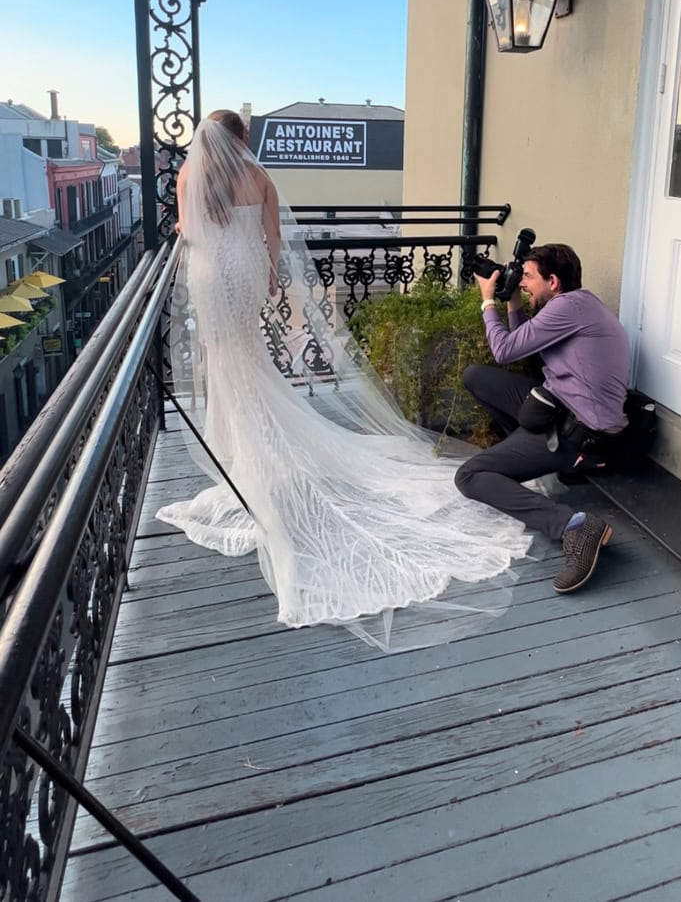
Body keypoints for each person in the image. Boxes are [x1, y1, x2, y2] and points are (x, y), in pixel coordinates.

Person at [157, 110, 531, 649]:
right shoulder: (260, 176)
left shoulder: (190, 176)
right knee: (250, 365)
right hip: (242, 278)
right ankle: (254, 451)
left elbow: (189, 232)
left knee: (226, 370)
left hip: (209, 278)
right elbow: (272, 240)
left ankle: (239, 457)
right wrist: (265, 281)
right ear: (242, 138)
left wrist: (186, 231)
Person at [456, 243, 630, 595]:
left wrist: (487, 299)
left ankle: (573, 526)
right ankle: (529, 459)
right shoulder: (577, 304)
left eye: (529, 278)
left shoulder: (567, 308)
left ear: (553, 281)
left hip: (579, 433)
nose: (523, 283)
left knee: (470, 475)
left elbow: (504, 349)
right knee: (477, 376)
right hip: (557, 406)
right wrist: (513, 302)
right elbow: (522, 344)